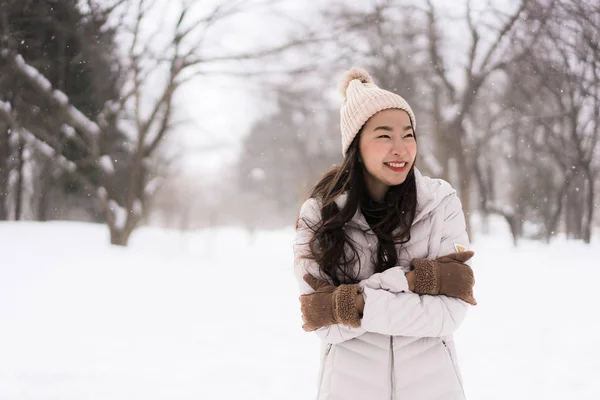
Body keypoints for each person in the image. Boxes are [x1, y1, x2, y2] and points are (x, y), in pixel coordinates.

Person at [293, 67, 476, 400]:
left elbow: (449, 313)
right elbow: (322, 320)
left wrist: (356, 302)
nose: (401, 148)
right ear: (356, 145)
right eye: (384, 135)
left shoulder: (440, 203)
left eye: (408, 134)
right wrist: (409, 283)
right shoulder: (320, 214)